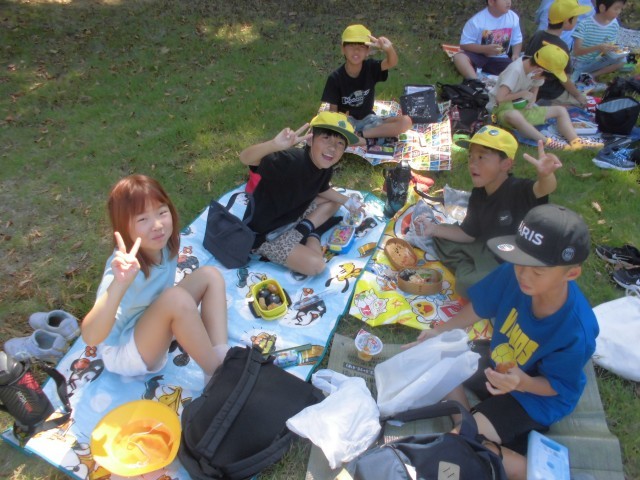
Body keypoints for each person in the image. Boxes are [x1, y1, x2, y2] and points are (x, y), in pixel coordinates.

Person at [407, 204, 599, 480]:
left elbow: (558, 386)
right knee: (438, 355)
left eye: (538, 271)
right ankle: (474, 426)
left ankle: (524, 467)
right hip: (500, 364)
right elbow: (480, 306)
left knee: (456, 445)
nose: (524, 275)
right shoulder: (515, 273)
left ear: (570, 274)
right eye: (520, 263)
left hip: (533, 396)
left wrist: (522, 382)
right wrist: (440, 332)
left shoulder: (575, 328)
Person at [82, 175, 229, 382]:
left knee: (210, 275)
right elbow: (91, 337)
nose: (157, 225)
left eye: (162, 212)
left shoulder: (165, 243)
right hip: (124, 350)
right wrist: (119, 284)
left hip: (152, 320)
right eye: (143, 219)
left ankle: (221, 356)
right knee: (176, 298)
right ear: (123, 228)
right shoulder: (122, 269)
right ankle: (218, 377)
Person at [414, 126, 560, 299]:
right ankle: (477, 270)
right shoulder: (479, 193)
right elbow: (468, 233)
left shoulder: (519, 189)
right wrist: (433, 229)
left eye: (481, 157)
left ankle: (489, 279)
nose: (472, 163)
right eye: (470, 156)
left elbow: (544, 188)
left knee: (468, 285)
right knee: (440, 239)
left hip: (514, 261)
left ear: (506, 164)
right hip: (487, 247)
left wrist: (546, 175)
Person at [239, 111, 363, 277]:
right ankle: (313, 233)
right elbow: (245, 158)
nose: (333, 148)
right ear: (310, 139)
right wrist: (273, 145)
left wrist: (347, 201)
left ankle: (304, 229)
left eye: (340, 143)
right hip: (267, 234)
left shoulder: (324, 166)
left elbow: (322, 188)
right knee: (317, 266)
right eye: (326, 138)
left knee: (335, 202)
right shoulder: (289, 161)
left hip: (294, 213)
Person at [487, 43, 592, 150]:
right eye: (545, 77)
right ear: (539, 70)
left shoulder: (534, 69)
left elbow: (536, 85)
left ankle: (575, 141)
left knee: (561, 110)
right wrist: (522, 94)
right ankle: (548, 142)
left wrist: (532, 100)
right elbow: (500, 98)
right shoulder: (515, 71)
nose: (543, 79)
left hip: (522, 108)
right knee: (514, 115)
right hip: (501, 110)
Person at [321, 24, 412, 145]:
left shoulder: (370, 67)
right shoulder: (335, 78)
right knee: (335, 132)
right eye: (351, 46)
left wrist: (388, 49)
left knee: (406, 121)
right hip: (347, 122)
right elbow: (333, 112)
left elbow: (391, 62)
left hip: (369, 121)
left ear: (368, 51)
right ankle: (365, 138)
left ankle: (361, 137)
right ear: (343, 49)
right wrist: (335, 127)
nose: (356, 50)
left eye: (361, 46)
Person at [525, 0, 594, 107]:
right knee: (584, 104)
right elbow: (565, 79)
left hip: (530, 85)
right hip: (552, 92)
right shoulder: (561, 46)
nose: (577, 20)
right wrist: (578, 95)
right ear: (567, 22)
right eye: (576, 18)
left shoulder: (537, 35)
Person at [453, 0, 523, 80]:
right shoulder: (477, 21)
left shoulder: (513, 18)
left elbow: (517, 40)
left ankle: (501, 83)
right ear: (491, 2)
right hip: (479, 56)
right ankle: (475, 82)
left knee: (519, 69)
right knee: (459, 57)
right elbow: (464, 45)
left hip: (500, 58)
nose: (508, 2)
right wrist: (485, 49)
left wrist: (515, 54)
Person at [572, 0, 627, 81]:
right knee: (572, 80)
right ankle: (580, 76)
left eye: (621, 9)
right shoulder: (585, 24)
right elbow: (576, 52)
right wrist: (598, 47)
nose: (618, 12)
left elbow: (611, 45)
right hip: (579, 62)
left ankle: (591, 75)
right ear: (602, 8)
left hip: (596, 59)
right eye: (616, 9)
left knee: (622, 60)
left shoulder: (614, 24)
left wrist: (614, 49)